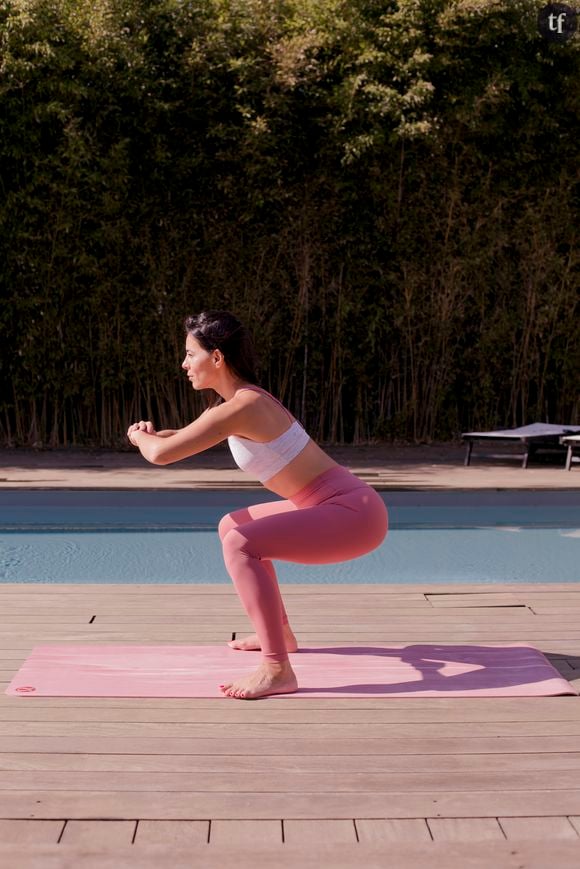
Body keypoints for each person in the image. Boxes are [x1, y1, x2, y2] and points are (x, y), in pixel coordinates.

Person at [127, 310, 388, 700]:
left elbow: (162, 454)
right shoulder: (236, 403)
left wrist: (138, 438)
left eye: (189, 354)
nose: (183, 364)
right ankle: (280, 633)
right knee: (232, 526)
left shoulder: (243, 406)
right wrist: (151, 434)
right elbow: (177, 437)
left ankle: (276, 668)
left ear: (216, 357)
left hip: (353, 514)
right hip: (334, 505)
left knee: (241, 543)